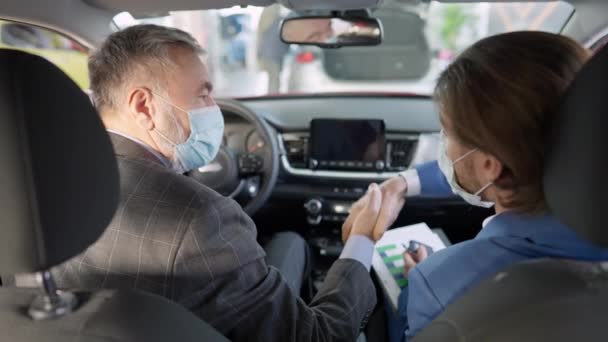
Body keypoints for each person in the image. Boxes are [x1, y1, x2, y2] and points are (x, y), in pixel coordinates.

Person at [51, 24, 383, 342]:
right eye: (203, 96)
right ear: (144, 106)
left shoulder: (39, 181)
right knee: (292, 241)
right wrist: (362, 240)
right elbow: (315, 337)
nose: (215, 112)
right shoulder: (200, 217)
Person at [343, 31, 608, 341]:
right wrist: (403, 182)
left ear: (490, 166)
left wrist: (416, 287)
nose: (444, 146)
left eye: (447, 133)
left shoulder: (440, 283)